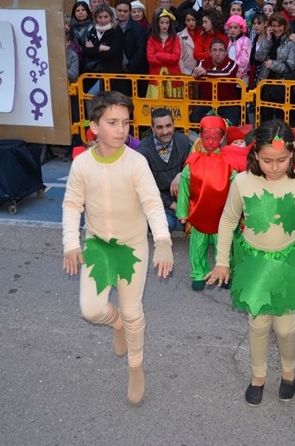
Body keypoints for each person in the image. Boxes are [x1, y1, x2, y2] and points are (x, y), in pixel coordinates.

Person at [205, 120, 295, 406]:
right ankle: (258, 376)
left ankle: (288, 372)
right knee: (258, 323)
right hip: (254, 262)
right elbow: (228, 220)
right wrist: (221, 261)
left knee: (284, 327)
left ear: (292, 154)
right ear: (255, 154)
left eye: (282, 160)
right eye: (267, 160)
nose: (275, 167)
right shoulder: (242, 182)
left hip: (288, 261)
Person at [62, 92, 174, 407]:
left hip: (132, 247)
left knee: (133, 310)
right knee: (91, 309)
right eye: (112, 122)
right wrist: (71, 244)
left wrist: (163, 242)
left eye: (125, 122)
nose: (121, 129)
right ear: (94, 127)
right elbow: (72, 205)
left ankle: (135, 367)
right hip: (98, 247)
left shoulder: (136, 163)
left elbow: (153, 204)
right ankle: (117, 324)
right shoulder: (82, 164)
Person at [176, 115, 237, 290]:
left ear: (222, 138)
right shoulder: (193, 161)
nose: (210, 142)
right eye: (206, 137)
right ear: (200, 136)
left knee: (223, 245)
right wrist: (182, 211)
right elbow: (184, 187)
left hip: (221, 214)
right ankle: (198, 273)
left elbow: (236, 189)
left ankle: (225, 272)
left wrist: (238, 212)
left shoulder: (228, 163)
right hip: (199, 212)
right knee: (198, 245)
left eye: (215, 138)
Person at [137, 108, 192, 232]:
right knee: (169, 224)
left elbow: (195, 164)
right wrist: (177, 207)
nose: (165, 131)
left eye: (168, 126)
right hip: (157, 202)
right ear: (152, 129)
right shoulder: (144, 152)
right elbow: (146, 190)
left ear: (174, 125)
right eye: (159, 127)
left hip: (181, 199)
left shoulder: (183, 141)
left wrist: (182, 173)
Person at [191, 38, 240, 125]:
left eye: (221, 50)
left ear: (226, 52)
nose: (217, 53)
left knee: (231, 125)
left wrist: (206, 72)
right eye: (214, 50)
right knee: (194, 121)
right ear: (209, 52)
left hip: (228, 104)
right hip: (206, 103)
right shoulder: (202, 62)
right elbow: (196, 71)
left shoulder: (232, 64)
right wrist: (195, 73)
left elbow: (226, 72)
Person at [81, 5, 125, 95]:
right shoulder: (92, 30)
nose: (103, 20)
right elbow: (85, 51)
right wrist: (100, 48)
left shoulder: (117, 30)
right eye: (100, 17)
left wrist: (94, 50)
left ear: (111, 17)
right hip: (93, 73)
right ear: (96, 18)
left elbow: (113, 52)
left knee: (110, 99)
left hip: (111, 72)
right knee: (89, 97)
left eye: (106, 17)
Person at [146, 9, 182, 99]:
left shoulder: (175, 38)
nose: (164, 25)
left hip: (173, 78)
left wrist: (158, 55)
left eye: (167, 23)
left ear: (170, 24)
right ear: (157, 23)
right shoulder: (151, 39)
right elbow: (151, 60)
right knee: (156, 104)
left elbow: (175, 58)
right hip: (156, 78)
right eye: (162, 23)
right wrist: (168, 59)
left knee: (173, 104)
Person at [225, 15, 252, 86]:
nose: (232, 30)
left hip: (241, 77)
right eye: (230, 27)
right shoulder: (230, 40)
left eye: (235, 27)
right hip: (230, 74)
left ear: (241, 28)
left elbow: (244, 61)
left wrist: (233, 71)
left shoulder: (246, 40)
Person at [178, 10, 201, 75]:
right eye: (188, 20)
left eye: (193, 20)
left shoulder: (203, 34)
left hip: (202, 69)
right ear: (184, 22)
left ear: (197, 21)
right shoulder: (180, 36)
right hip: (187, 70)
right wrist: (182, 71)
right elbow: (179, 57)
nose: (191, 23)